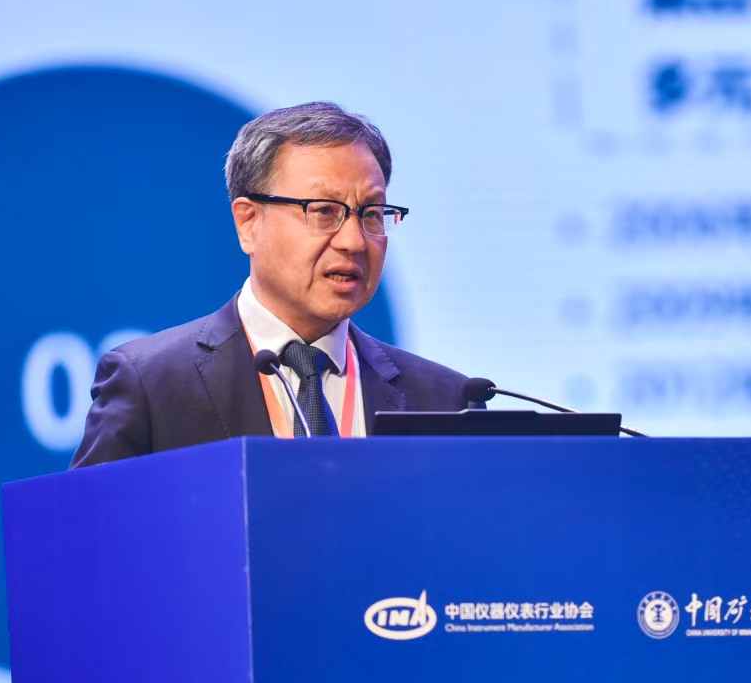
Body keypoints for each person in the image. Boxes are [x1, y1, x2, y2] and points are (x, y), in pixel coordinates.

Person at [70, 102, 476, 467]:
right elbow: (90, 525)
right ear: (249, 222)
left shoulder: (445, 401)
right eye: (324, 211)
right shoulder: (153, 384)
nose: (354, 241)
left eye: (371, 213)